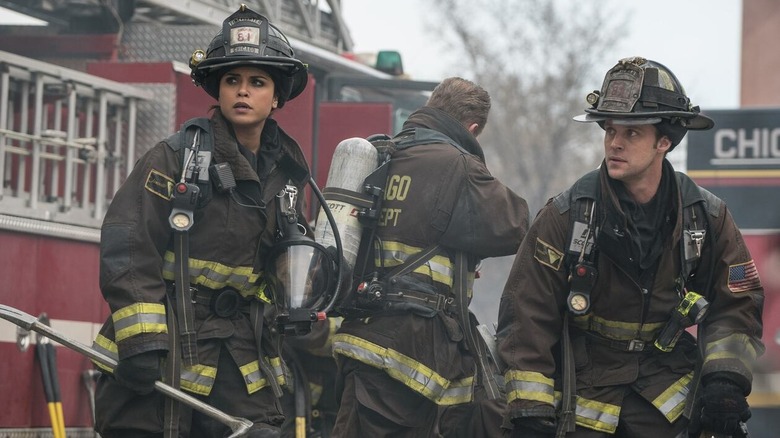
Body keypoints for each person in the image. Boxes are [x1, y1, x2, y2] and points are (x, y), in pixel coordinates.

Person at [496, 56, 765, 438]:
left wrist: (726, 382)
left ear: (665, 141)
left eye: (632, 133)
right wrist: (529, 412)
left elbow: (737, 305)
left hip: (666, 404)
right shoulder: (566, 216)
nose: (615, 144)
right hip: (582, 404)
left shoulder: (705, 218)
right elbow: (526, 317)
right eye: (609, 131)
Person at [90, 5, 314, 437]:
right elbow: (130, 245)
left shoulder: (287, 175)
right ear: (218, 88)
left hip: (240, 354)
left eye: (257, 82)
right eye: (232, 81)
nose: (242, 92)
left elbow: (284, 267)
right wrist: (141, 342)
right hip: (167, 345)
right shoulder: (176, 159)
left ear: (278, 96)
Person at [330, 76, 530, 437]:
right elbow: (516, 224)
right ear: (471, 128)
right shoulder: (458, 164)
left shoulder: (384, 153)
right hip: (412, 346)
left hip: (363, 338)